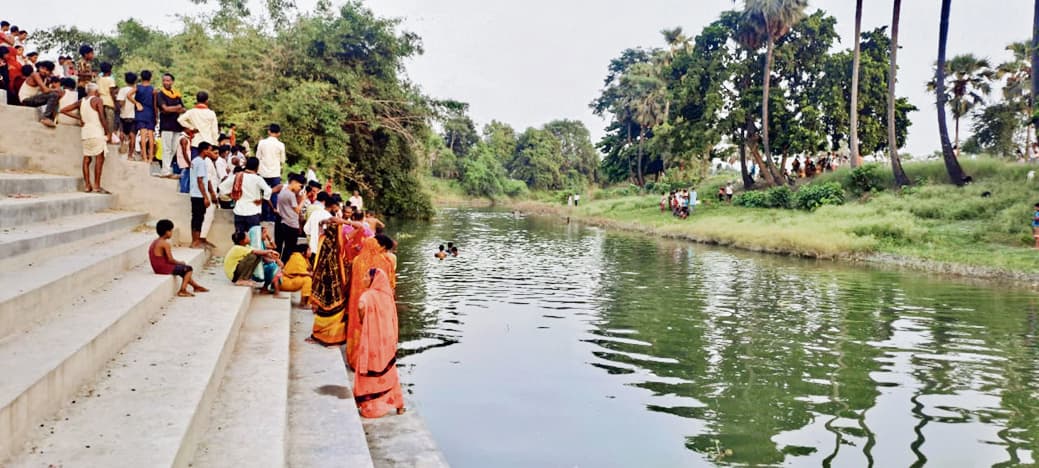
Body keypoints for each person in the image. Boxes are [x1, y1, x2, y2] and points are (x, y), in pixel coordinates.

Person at [353, 267, 406, 418]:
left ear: (373, 280)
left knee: (370, 369)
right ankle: (399, 405)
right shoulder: (387, 296)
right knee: (389, 370)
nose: (363, 279)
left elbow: (361, 306)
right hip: (387, 339)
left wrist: (363, 319)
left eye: (366, 277)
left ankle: (370, 406)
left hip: (373, 339)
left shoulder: (368, 295)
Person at [309, 195, 355, 346]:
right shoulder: (333, 225)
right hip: (332, 270)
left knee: (325, 301)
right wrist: (344, 222)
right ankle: (331, 335)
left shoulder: (323, 229)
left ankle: (321, 334)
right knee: (332, 301)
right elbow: (359, 228)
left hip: (324, 266)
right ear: (334, 206)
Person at [346, 234, 397, 370]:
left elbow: (351, 281)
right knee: (375, 329)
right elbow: (390, 285)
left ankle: (356, 360)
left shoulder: (357, 260)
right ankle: (373, 363)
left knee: (359, 328)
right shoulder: (385, 261)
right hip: (377, 303)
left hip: (358, 301)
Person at [61, 82, 110, 193]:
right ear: (96, 91)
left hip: (85, 133)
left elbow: (63, 110)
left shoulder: (81, 101)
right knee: (99, 158)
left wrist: (80, 118)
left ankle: (87, 185)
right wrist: (108, 132)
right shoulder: (97, 100)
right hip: (96, 131)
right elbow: (102, 117)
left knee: (87, 158)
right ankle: (97, 185)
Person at [150, 219, 208, 297]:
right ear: (167, 232)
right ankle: (182, 290)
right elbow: (170, 260)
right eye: (171, 231)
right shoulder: (165, 244)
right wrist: (180, 262)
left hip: (157, 267)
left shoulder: (155, 241)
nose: (172, 233)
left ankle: (196, 286)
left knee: (182, 270)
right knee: (188, 269)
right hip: (162, 268)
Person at [219, 157, 272, 234]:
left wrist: (232, 196)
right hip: (253, 211)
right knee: (254, 239)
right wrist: (262, 200)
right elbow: (268, 190)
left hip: (239, 211)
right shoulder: (257, 179)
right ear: (257, 167)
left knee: (240, 238)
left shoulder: (237, 176)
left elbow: (222, 187)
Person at [157, 73, 185, 177]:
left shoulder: (177, 94)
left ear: (172, 82)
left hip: (176, 125)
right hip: (166, 125)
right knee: (166, 148)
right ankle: (165, 170)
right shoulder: (160, 94)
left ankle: (168, 168)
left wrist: (173, 108)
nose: (166, 82)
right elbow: (164, 108)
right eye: (164, 80)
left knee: (173, 148)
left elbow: (183, 108)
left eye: (168, 80)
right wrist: (176, 108)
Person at [256, 123, 286, 222]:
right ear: (279, 133)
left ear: (269, 131)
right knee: (274, 194)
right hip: (275, 173)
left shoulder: (262, 143)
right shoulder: (281, 145)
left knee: (264, 193)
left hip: (263, 172)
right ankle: (273, 217)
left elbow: (258, 157)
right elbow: (282, 160)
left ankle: (264, 216)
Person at [128, 70, 157, 166]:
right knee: (151, 135)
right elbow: (155, 104)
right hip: (150, 113)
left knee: (143, 134)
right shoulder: (153, 89)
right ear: (150, 77)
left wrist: (136, 103)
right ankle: (150, 157)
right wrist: (156, 116)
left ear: (141, 77)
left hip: (140, 112)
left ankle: (144, 157)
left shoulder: (138, 87)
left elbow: (128, 95)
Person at [18, 60, 59, 127]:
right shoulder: (35, 74)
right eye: (42, 68)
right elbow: (45, 90)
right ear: (39, 67)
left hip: (33, 100)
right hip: (26, 99)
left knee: (55, 95)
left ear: (50, 72)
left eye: (47, 70)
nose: (44, 71)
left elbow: (46, 92)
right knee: (54, 94)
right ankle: (45, 118)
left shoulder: (46, 79)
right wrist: (56, 89)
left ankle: (53, 118)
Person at [177, 90, 219, 157]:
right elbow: (214, 131)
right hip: (208, 142)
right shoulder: (211, 113)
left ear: (196, 100)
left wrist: (191, 127)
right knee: (207, 165)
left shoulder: (191, 112)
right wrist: (215, 143)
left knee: (195, 164)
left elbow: (180, 120)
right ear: (206, 100)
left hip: (195, 142)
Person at [189, 142, 215, 248]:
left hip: (195, 193)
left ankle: (195, 240)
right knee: (198, 218)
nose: (211, 152)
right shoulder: (201, 162)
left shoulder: (196, 161)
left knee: (196, 217)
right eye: (209, 150)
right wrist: (205, 196)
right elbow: (200, 180)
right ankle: (195, 241)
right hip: (198, 194)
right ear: (204, 150)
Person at [276, 174, 305, 260]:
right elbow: (297, 210)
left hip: (283, 221)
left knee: (282, 246)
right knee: (290, 248)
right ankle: (285, 266)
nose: (300, 188)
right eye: (300, 186)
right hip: (291, 224)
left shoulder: (282, 192)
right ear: (295, 182)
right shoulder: (291, 195)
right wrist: (303, 200)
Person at [116, 72, 138, 157]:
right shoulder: (137, 90)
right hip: (134, 116)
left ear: (125, 80)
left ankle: (122, 150)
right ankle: (130, 154)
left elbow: (121, 103)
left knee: (121, 134)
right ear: (135, 80)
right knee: (133, 136)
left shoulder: (123, 90)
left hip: (123, 115)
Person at [96, 62, 117, 143]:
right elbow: (112, 92)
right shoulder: (111, 80)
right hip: (109, 101)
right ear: (110, 70)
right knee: (110, 120)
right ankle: (110, 137)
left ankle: (103, 135)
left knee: (102, 119)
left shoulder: (99, 79)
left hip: (101, 101)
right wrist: (115, 102)